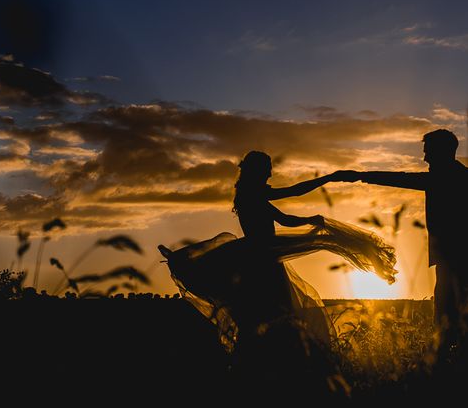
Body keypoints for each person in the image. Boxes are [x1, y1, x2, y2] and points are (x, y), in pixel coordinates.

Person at [159, 150, 397, 395]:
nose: (271, 173)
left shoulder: (254, 194)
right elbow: (293, 192)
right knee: (271, 312)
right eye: (267, 168)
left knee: (268, 313)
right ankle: (261, 370)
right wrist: (327, 178)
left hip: (264, 258)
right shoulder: (251, 193)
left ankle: (266, 368)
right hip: (260, 260)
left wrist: (309, 219)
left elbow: (284, 220)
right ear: (257, 170)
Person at [332, 128, 468, 353]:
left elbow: (400, 179)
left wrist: (360, 176)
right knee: (464, 327)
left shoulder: (448, 179)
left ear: (443, 152)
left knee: (450, 327)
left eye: (429, 153)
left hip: (459, 263)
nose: (425, 158)